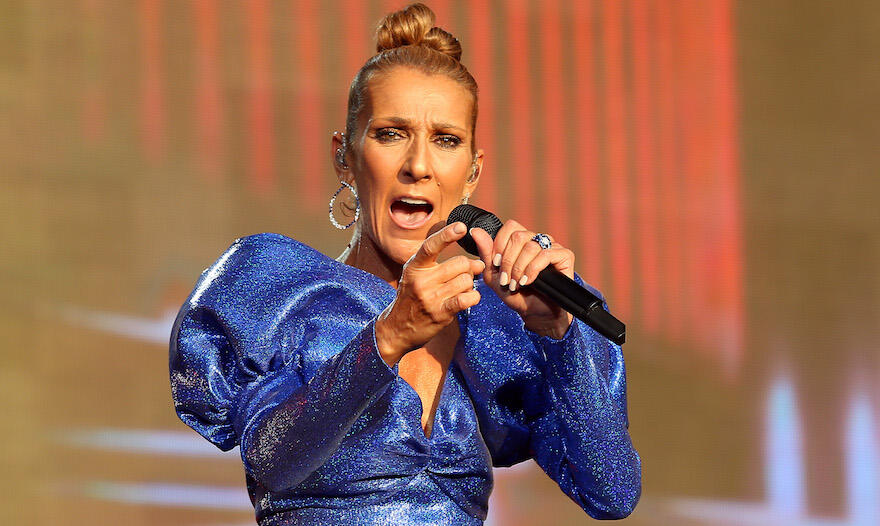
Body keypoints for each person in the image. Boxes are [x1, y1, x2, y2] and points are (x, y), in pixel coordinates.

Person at [169, 4, 640, 524]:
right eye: (391, 133)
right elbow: (273, 462)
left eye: (446, 140)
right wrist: (389, 337)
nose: (418, 165)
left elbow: (611, 493)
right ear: (344, 156)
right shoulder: (285, 290)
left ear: (473, 172)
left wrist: (558, 335)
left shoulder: (494, 322)